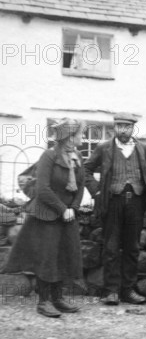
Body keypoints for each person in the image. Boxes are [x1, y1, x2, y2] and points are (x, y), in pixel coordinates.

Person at [3, 118, 85, 317]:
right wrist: (61, 208)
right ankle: (44, 301)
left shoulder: (77, 156)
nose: (82, 137)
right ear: (69, 137)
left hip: (67, 215)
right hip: (47, 214)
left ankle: (58, 299)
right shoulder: (49, 156)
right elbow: (42, 189)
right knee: (47, 257)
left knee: (63, 255)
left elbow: (80, 186)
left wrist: (73, 208)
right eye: (80, 134)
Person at [84, 113, 146, 305]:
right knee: (110, 247)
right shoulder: (104, 148)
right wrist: (97, 192)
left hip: (136, 202)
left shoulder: (142, 148)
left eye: (127, 127)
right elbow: (85, 170)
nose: (123, 130)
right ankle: (111, 291)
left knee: (132, 248)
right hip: (113, 202)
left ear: (133, 129)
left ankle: (128, 290)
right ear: (114, 128)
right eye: (120, 127)